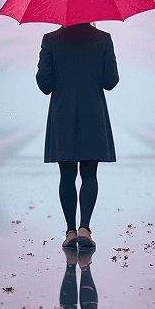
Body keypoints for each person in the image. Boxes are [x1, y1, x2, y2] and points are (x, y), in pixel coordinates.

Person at [35, 20, 119, 249]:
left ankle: (70, 232)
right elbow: (110, 81)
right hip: (93, 111)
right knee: (90, 172)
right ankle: (85, 228)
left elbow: (44, 84)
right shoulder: (103, 38)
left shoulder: (50, 40)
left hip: (62, 112)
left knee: (67, 174)